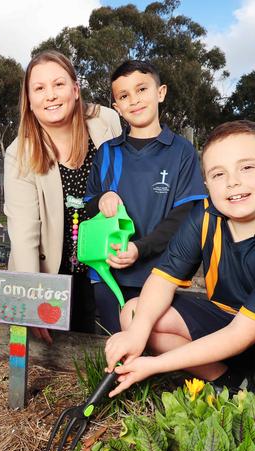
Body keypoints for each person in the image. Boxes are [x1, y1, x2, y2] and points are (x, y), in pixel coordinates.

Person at [104, 120, 255, 432]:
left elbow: (242, 333)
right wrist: (137, 334)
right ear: (208, 184)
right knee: (134, 312)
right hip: (226, 321)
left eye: (247, 167)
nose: (233, 182)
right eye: (218, 173)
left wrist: (154, 364)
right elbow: (163, 277)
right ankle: (231, 384)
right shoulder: (206, 214)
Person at [4, 50, 122, 341]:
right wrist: (32, 298)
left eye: (58, 84)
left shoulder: (107, 121)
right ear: (29, 102)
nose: (51, 96)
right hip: (54, 272)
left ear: (75, 89)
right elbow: (24, 232)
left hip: (107, 265)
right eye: (40, 89)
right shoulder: (19, 153)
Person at [85, 60, 207, 333]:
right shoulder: (107, 152)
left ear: (160, 92)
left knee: (152, 346)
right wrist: (102, 199)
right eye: (124, 96)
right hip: (108, 273)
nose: (134, 101)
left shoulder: (182, 152)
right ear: (117, 107)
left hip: (160, 274)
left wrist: (141, 248)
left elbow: (185, 215)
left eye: (142, 89)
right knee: (113, 347)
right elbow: (88, 204)